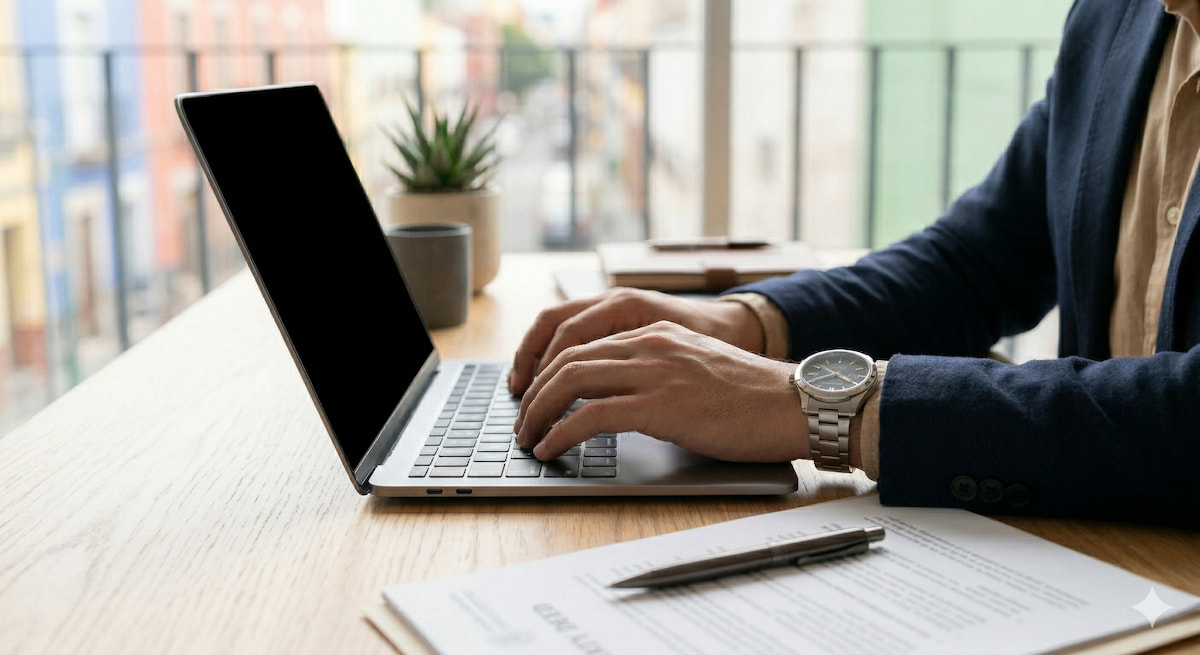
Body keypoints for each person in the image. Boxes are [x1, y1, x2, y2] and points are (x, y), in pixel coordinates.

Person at [508, 0, 1200, 529]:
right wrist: (742, 324)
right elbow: (977, 261)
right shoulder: (1119, 16)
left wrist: (814, 404)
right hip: (1096, 555)